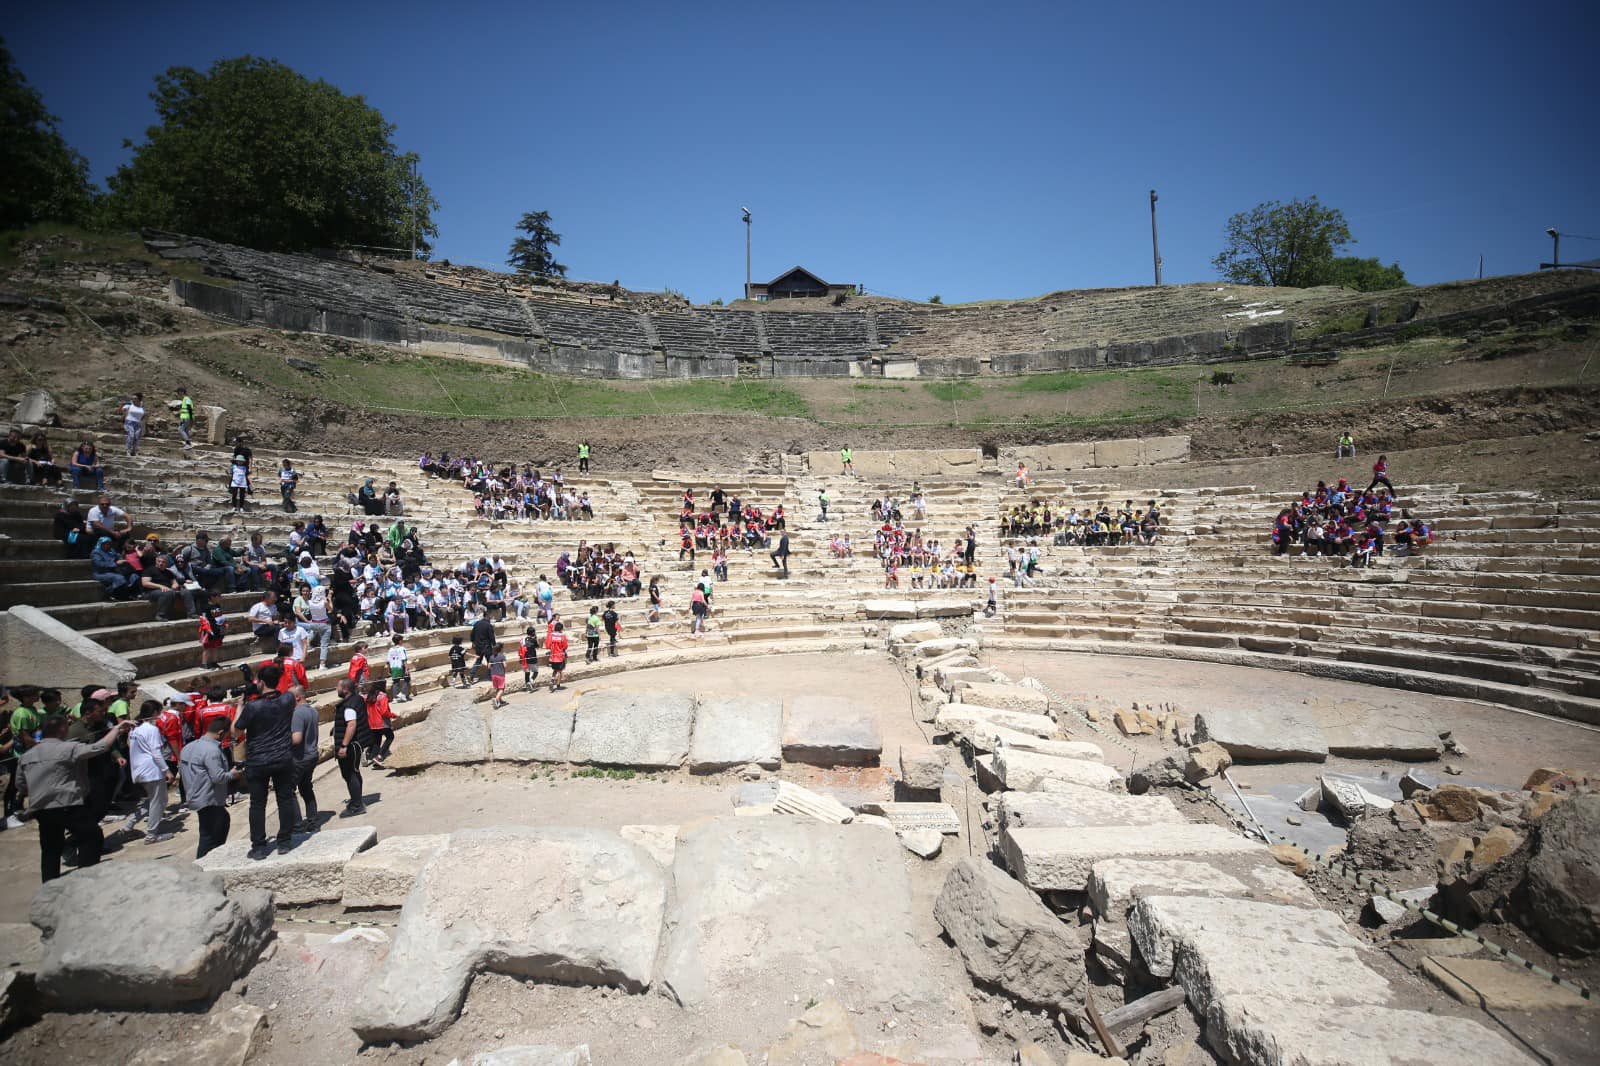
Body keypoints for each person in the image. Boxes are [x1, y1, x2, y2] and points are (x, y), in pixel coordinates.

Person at [20, 715, 134, 880]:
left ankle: (49, 884)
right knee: (91, 836)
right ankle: (85, 879)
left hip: (41, 809)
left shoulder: (27, 756)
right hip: (66, 805)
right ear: (62, 729)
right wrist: (116, 729)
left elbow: (21, 784)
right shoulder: (69, 748)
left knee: (50, 849)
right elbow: (99, 747)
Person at [232, 664, 300, 858]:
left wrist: (239, 707)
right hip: (283, 757)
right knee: (285, 798)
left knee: (257, 803)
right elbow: (290, 690)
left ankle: (259, 846)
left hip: (258, 760)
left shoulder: (253, 707)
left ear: (260, 682)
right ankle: (285, 842)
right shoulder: (287, 700)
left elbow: (236, 732)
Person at [179, 716, 238, 858]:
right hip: (209, 798)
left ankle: (213, 858)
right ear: (221, 732)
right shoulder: (212, 751)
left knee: (220, 823)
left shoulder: (188, 747)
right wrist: (233, 774)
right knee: (209, 836)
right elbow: (218, 777)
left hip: (196, 796)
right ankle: (205, 864)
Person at [333, 678, 368, 816]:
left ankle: (357, 805)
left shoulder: (349, 705)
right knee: (354, 771)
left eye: (338, 687)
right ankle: (356, 800)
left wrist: (343, 745)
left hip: (351, 745)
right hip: (357, 743)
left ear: (345, 690)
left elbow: (351, 724)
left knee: (350, 774)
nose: (337, 689)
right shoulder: (356, 699)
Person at [289, 687, 320, 832]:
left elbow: (296, 738)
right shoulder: (313, 710)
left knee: (288, 791)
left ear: (296, 697)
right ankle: (312, 821)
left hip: (299, 757)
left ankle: (296, 825)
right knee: (306, 787)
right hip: (312, 755)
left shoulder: (297, 714)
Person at [365, 681, 395, 767]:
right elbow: (384, 711)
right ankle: (379, 756)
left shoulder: (369, 696)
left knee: (377, 741)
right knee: (390, 737)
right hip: (382, 722)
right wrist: (392, 715)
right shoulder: (382, 696)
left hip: (372, 723)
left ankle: (373, 757)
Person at [228, 435, 253, 512]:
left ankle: (250, 489)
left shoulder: (247, 449)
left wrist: (250, 467)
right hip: (237, 466)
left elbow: (251, 458)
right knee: (233, 480)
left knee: (245, 480)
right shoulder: (236, 449)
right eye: (235, 442)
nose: (236, 444)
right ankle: (231, 489)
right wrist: (232, 462)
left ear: (240, 442)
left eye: (237, 442)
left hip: (245, 467)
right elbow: (235, 457)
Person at [386, 637, 412, 702]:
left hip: (393, 667)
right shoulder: (402, 649)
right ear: (400, 641)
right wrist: (406, 668)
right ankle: (402, 694)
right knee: (407, 678)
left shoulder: (390, 650)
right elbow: (404, 659)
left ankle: (395, 698)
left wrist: (389, 670)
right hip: (400, 667)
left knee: (395, 681)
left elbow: (388, 661)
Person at [547, 621, 569, 690]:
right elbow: (565, 646)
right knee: (560, 671)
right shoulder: (562, 636)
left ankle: (552, 679)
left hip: (553, 656)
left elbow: (548, 645)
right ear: (561, 629)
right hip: (560, 656)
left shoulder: (551, 635)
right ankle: (558, 684)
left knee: (555, 670)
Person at [176, 387, 197, 451]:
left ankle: (188, 444)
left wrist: (190, 418)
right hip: (187, 417)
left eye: (178, 392)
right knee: (186, 431)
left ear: (182, 392)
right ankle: (188, 445)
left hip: (186, 417)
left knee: (180, 429)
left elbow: (189, 408)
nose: (177, 394)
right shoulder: (185, 399)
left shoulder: (186, 399)